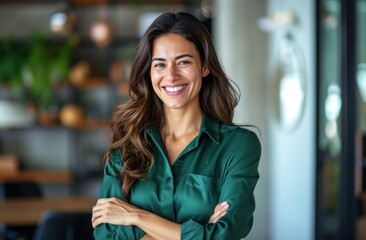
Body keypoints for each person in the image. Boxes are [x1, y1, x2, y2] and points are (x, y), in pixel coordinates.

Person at [92, 11, 261, 240]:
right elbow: (106, 234)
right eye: (159, 64)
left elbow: (227, 233)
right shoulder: (127, 142)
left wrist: (137, 217)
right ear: (149, 72)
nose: (171, 76)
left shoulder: (238, 146)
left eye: (183, 62)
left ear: (204, 66)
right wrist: (199, 233)